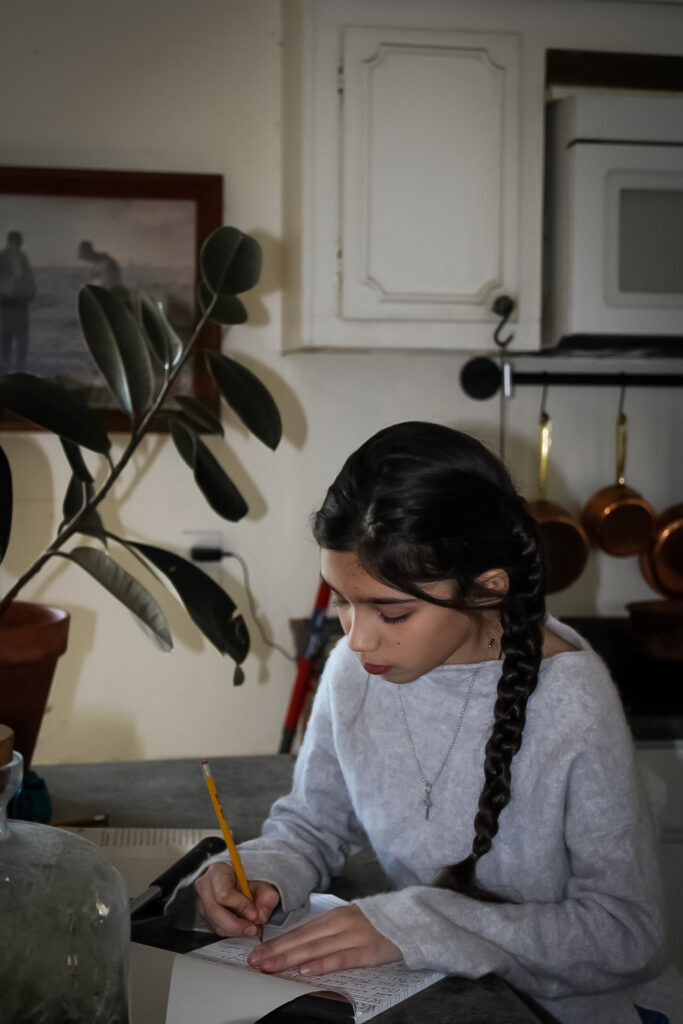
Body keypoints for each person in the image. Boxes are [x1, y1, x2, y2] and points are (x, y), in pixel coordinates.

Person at [169, 422, 681, 1024]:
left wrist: (417, 924)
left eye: (393, 611)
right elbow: (313, 822)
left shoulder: (573, 703)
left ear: (487, 590)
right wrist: (259, 873)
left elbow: (626, 935)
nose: (357, 639)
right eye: (341, 599)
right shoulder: (353, 670)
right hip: (438, 995)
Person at [0, 230, 36, 373]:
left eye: (18, 243)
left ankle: (19, 374)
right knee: (6, 344)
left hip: (20, 306)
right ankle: (5, 375)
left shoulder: (23, 258)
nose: (16, 246)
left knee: (21, 344)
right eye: (15, 243)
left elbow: (30, 284)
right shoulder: (2, 258)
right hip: (6, 306)